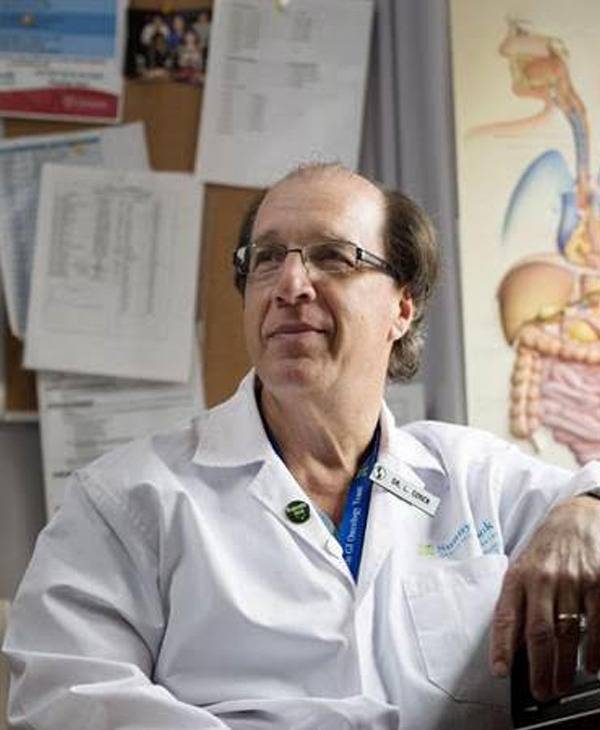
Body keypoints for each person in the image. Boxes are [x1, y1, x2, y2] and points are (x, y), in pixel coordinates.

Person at [4, 163, 600, 730]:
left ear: (401, 307)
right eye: (266, 259)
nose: (290, 285)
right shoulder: (129, 499)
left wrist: (584, 510)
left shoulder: (471, 478)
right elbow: (63, 698)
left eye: (333, 257)